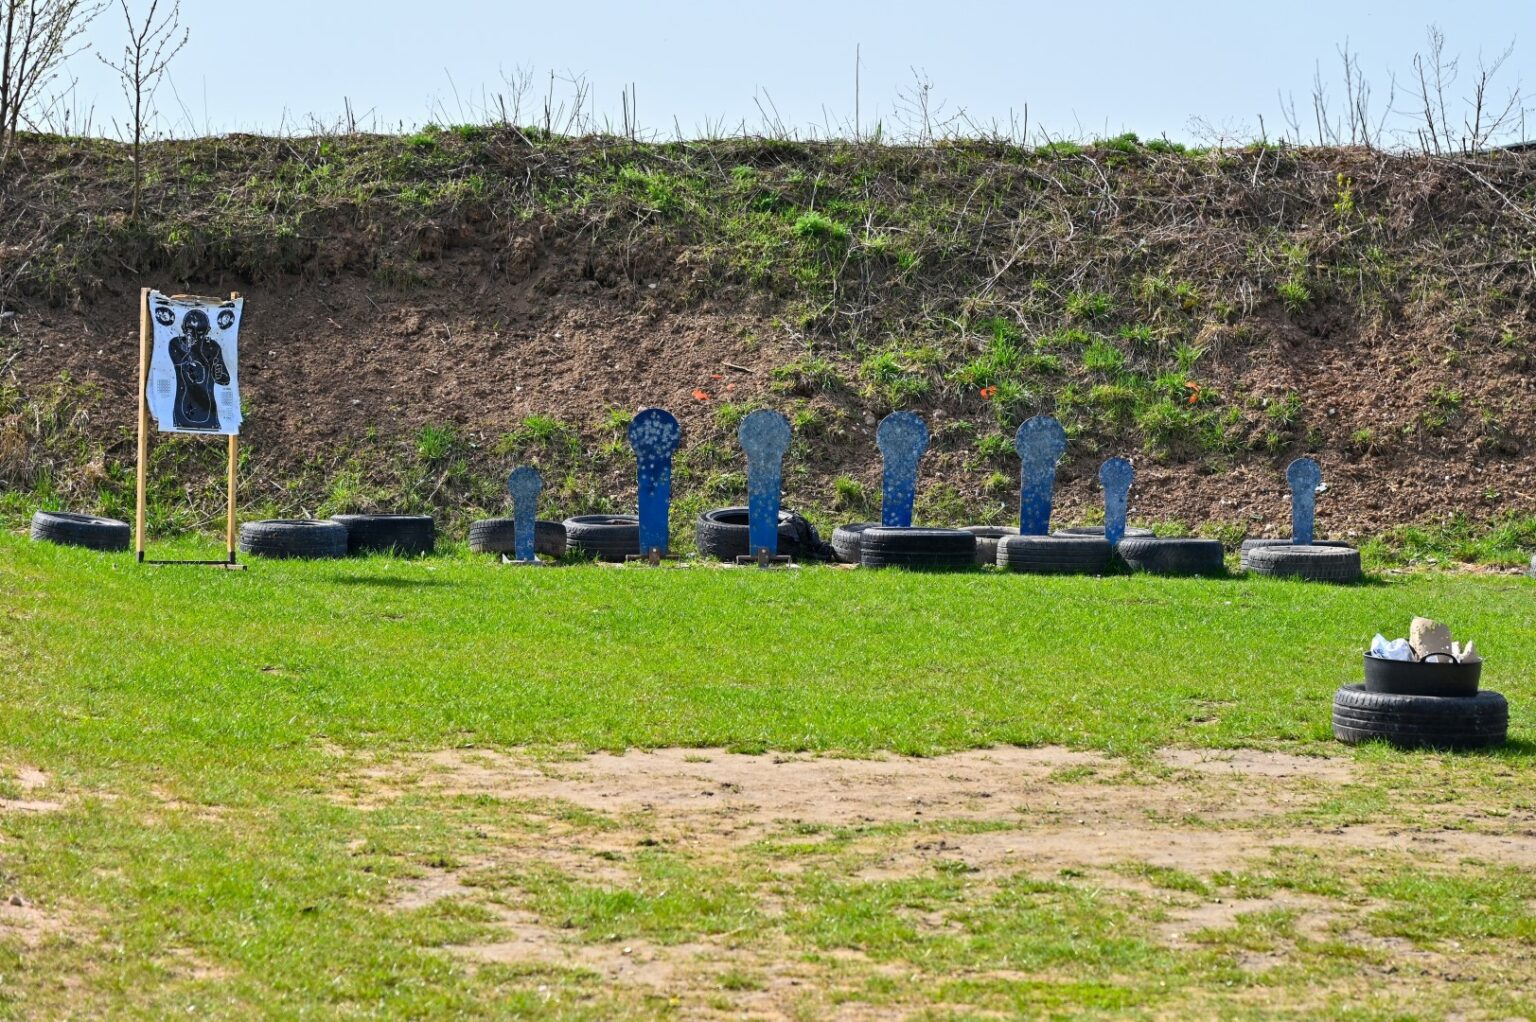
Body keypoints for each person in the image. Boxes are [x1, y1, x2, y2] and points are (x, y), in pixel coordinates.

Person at [169, 309, 231, 431]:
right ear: (183, 329)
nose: (196, 336)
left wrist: (218, 374)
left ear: (207, 331)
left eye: (200, 332)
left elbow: (225, 379)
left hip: (208, 409)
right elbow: (179, 362)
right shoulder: (176, 343)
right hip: (184, 406)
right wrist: (191, 348)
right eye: (191, 331)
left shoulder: (213, 347)